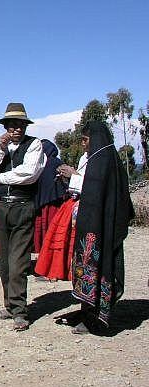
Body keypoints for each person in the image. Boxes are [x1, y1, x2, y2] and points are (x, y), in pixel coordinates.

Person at [0, 102, 46, 331]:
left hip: (22, 206)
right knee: (5, 262)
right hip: (2, 208)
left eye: (21, 125)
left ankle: (20, 310)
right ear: (6, 126)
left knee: (19, 262)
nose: (17, 129)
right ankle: (9, 304)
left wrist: (1, 179)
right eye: (13, 125)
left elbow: (29, 174)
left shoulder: (34, 145)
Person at [68, 121, 134, 334]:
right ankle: (88, 312)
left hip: (99, 229)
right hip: (99, 226)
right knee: (91, 267)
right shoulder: (107, 158)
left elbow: (93, 190)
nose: (84, 145)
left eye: (86, 140)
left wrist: (72, 177)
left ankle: (95, 317)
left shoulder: (102, 160)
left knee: (97, 267)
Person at [34, 138, 87, 282]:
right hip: (55, 204)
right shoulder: (52, 163)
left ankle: (52, 270)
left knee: (53, 238)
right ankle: (50, 267)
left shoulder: (48, 164)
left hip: (54, 206)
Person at [33, 140, 68, 256]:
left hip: (47, 204)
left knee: (48, 231)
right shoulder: (56, 162)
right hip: (55, 203)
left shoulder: (42, 164)